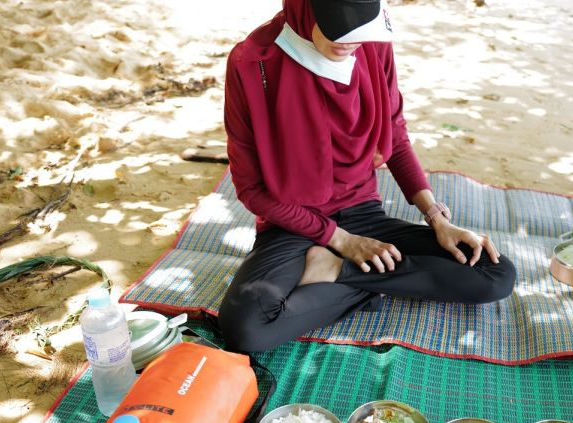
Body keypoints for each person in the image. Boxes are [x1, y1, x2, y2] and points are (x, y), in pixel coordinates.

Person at [216, 0, 516, 352]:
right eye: (337, 29)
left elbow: (395, 132)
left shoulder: (374, 42)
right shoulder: (253, 63)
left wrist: (436, 218)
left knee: (494, 273)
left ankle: (335, 273)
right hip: (293, 223)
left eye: (360, 32)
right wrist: (338, 240)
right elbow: (251, 190)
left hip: (363, 213)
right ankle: (372, 280)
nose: (349, 42)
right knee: (244, 328)